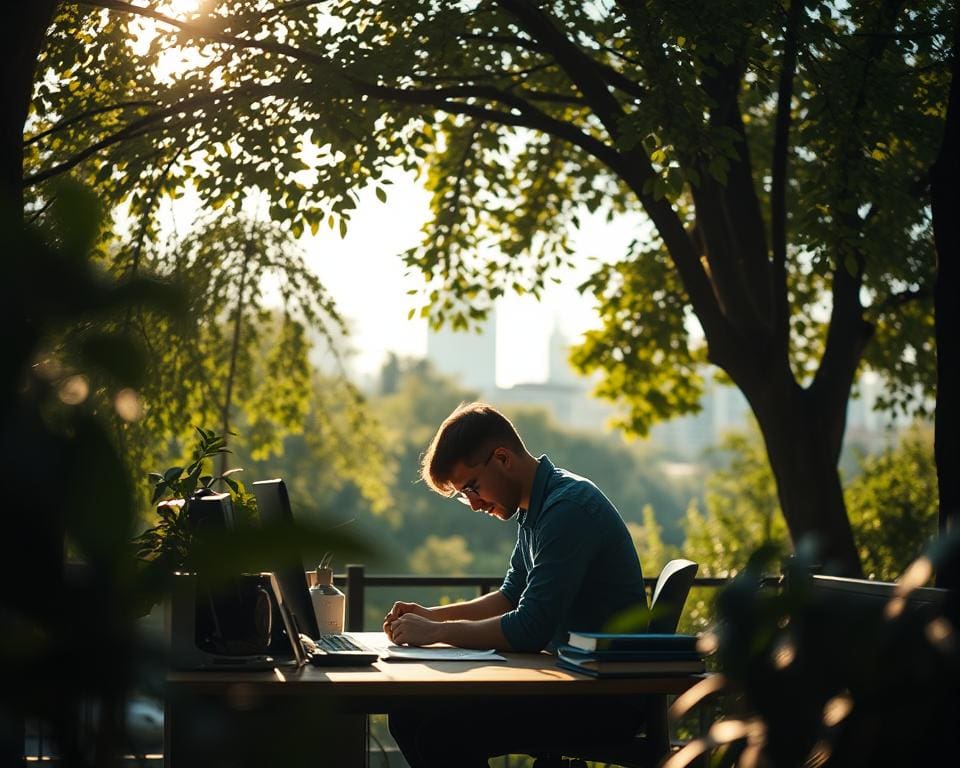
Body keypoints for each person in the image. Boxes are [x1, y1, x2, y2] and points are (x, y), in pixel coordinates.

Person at [384, 402, 648, 767]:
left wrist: (433, 631)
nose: (474, 505)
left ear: (503, 459)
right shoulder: (536, 509)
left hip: (605, 699)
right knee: (407, 713)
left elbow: (529, 629)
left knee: (441, 735)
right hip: (572, 680)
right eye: (464, 496)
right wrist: (431, 616)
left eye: (472, 487)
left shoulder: (566, 510)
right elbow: (510, 597)